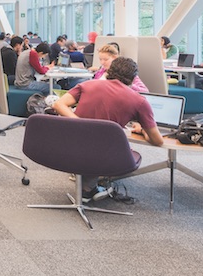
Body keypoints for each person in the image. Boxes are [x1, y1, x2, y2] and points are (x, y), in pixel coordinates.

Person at [52, 56, 163, 201]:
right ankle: (89, 187)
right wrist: (142, 130)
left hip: (69, 146)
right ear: (134, 78)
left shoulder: (88, 85)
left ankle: (87, 182)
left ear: (109, 71)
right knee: (113, 147)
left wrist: (79, 122)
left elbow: (58, 104)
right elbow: (157, 140)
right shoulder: (139, 101)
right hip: (105, 154)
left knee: (92, 144)